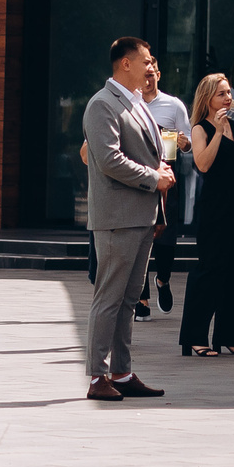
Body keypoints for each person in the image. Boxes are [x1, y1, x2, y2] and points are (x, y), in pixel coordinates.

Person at [81, 37, 175, 402]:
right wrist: (154, 177)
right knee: (108, 297)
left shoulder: (136, 103)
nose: (151, 67)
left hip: (140, 216)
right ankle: (97, 376)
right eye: (146, 61)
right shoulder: (103, 104)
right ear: (125, 64)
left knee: (128, 299)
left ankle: (121, 372)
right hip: (117, 217)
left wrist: (160, 170)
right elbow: (107, 159)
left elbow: (146, 153)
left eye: (152, 62)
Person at [179, 74, 234, 356]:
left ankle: (231, 335)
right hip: (215, 208)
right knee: (210, 269)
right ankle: (195, 337)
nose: (228, 98)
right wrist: (217, 131)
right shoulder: (200, 129)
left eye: (229, 93)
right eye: (222, 94)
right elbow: (203, 165)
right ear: (208, 98)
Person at [139, 60, 193, 316]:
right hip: (137, 178)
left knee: (166, 239)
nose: (147, 79)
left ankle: (163, 279)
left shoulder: (173, 105)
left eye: (151, 75)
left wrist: (183, 142)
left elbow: (190, 141)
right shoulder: (130, 104)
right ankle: (142, 300)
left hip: (167, 178)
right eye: (143, 74)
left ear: (159, 75)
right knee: (140, 237)